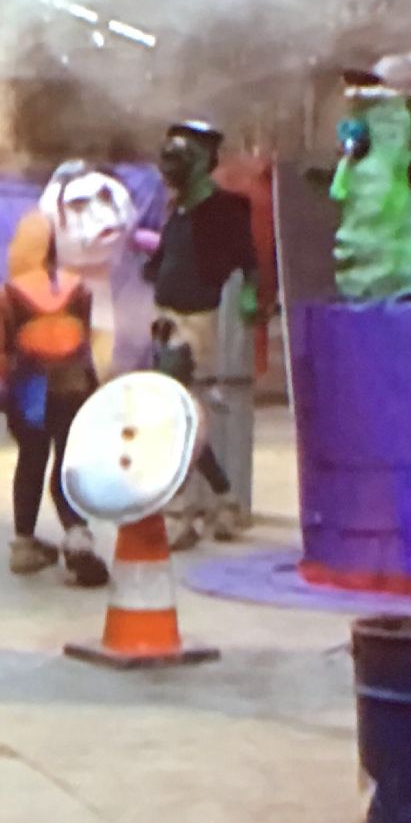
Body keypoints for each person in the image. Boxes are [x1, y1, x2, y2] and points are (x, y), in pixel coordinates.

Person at [144, 120, 257, 549]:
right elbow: (164, 260)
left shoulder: (225, 209)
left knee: (174, 413)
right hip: (167, 318)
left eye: (182, 155)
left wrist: (251, 296)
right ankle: (223, 500)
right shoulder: (178, 210)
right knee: (181, 414)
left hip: (197, 321)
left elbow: (248, 261)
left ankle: (183, 510)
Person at [0, 212, 109, 587]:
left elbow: (0, 354)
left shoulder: (7, 295)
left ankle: (24, 544)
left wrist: (14, 388)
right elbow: (85, 344)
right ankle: (77, 534)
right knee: (67, 463)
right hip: (75, 387)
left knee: (31, 461)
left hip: (30, 391)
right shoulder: (79, 289)